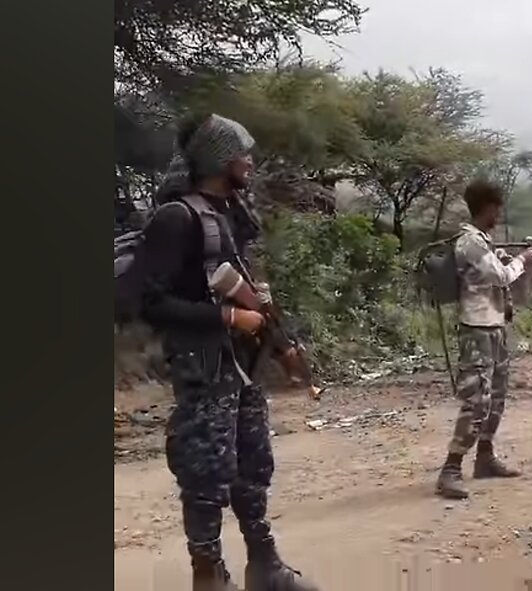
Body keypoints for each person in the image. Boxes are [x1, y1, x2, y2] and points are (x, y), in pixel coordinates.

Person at [136, 113, 319, 591]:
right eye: (243, 152)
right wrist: (228, 319)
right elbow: (151, 303)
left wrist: (280, 348)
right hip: (203, 369)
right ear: (219, 157)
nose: (250, 161)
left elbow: (251, 293)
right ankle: (208, 575)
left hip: (241, 369)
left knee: (253, 466)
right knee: (205, 476)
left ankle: (265, 566)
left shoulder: (230, 212)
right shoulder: (177, 218)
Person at [435, 179, 532, 499]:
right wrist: (523, 260)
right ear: (488, 208)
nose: (499, 214)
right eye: (497, 208)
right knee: (476, 401)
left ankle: (485, 458)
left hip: (493, 327)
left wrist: (517, 262)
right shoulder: (471, 243)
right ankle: (450, 469)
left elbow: (496, 274)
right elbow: (500, 276)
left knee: (496, 398)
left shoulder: (483, 242)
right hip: (476, 329)